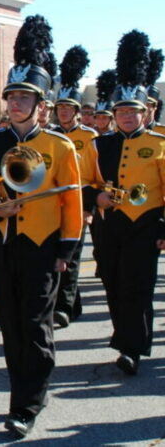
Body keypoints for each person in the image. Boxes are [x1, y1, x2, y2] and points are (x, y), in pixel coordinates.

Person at [0, 15, 82, 438]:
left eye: (24, 98)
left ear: (41, 106)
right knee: (10, 323)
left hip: (44, 245)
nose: (15, 104)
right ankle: (27, 387)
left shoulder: (59, 145)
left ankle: (26, 403)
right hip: (4, 243)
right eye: (11, 97)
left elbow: (72, 199)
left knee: (35, 324)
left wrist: (65, 252)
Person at [80, 30, 165, 376]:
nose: (128, 116)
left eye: (135, 111)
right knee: (113, 282)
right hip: (108, 223)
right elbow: (82, 182)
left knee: (138, 285)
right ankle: (123, 334)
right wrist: (94, 197)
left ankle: (132, 347)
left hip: (146, 223)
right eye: (122, 111)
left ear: (145, 113)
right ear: (113, 113)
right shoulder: (100, 145)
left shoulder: (160, 143)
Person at [50, 46, 97, 329]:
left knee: (74, 257)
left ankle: (64, 308)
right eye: (61, 108)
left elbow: (95, 175)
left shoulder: (89, 136)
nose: (64, 112)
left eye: (69, 108)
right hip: (54, 205)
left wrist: (89, 207)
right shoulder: (52, 136)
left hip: (80, 203)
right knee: (59, 256)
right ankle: (70, 303)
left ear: (78, 111)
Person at [93, 70, 117, 136]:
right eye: (98, 117)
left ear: (111, 118)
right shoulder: (90, 135)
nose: (100, 121)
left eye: (104, 117)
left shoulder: (117, 136)